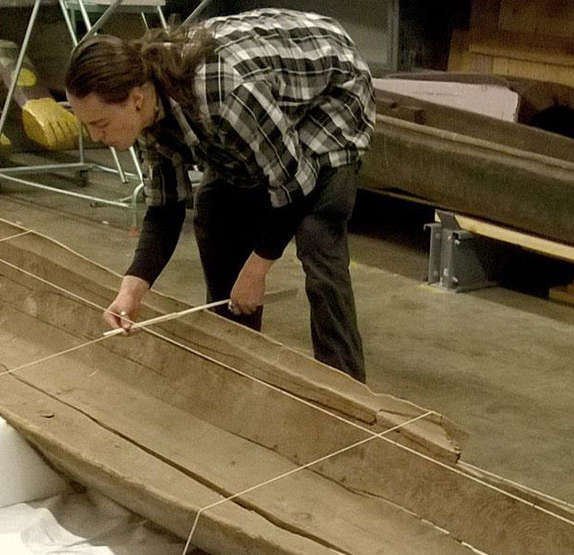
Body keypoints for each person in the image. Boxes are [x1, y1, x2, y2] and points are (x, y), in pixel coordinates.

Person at [64, 8, 374, 382]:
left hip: (331, 91)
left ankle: (346, 387)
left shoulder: (222, 89)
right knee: (214, 209)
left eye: (99, 124)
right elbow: (166, 207)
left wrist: (256, 270)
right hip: (261, 100)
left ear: (136, 99)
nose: (96, 137)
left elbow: (293, 185)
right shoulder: (147, 112)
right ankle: (237, 363)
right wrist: (132, 288)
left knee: (316, 235)